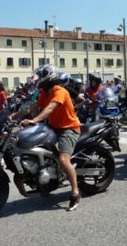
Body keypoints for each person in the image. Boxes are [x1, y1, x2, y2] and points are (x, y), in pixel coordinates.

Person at [21, 65, 82, 211]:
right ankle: (47, 182)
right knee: (39, 152)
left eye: (41, 76)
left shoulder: (59, 91)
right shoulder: (45, 92)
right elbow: (36, 105)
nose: (38, 79)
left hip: (68, 129)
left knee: (63, 159)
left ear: (48, 76)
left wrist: (34, 120)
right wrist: (16, 114)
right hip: (53, 128)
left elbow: (50, 108)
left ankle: (75, 193)